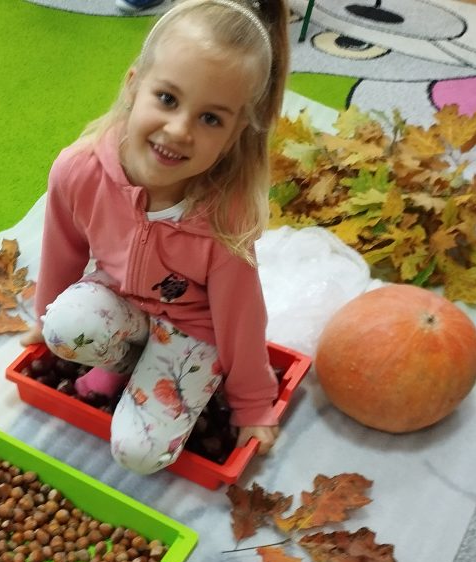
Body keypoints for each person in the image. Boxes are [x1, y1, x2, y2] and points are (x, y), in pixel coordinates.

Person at [21, 0, 290, 475]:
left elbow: (240, 315)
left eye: (211, 119)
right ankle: (128, 366)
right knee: (64, 325)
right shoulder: (79, 170)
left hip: (192, 333)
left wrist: (252, 403)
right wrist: (42, 321)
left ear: (232, 138)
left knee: (139, 455)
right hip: (121, 303)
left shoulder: (223, 215)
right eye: (167, 99)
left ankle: (159, 374)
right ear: (133, 86)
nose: (179, 130)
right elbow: (62, 251)